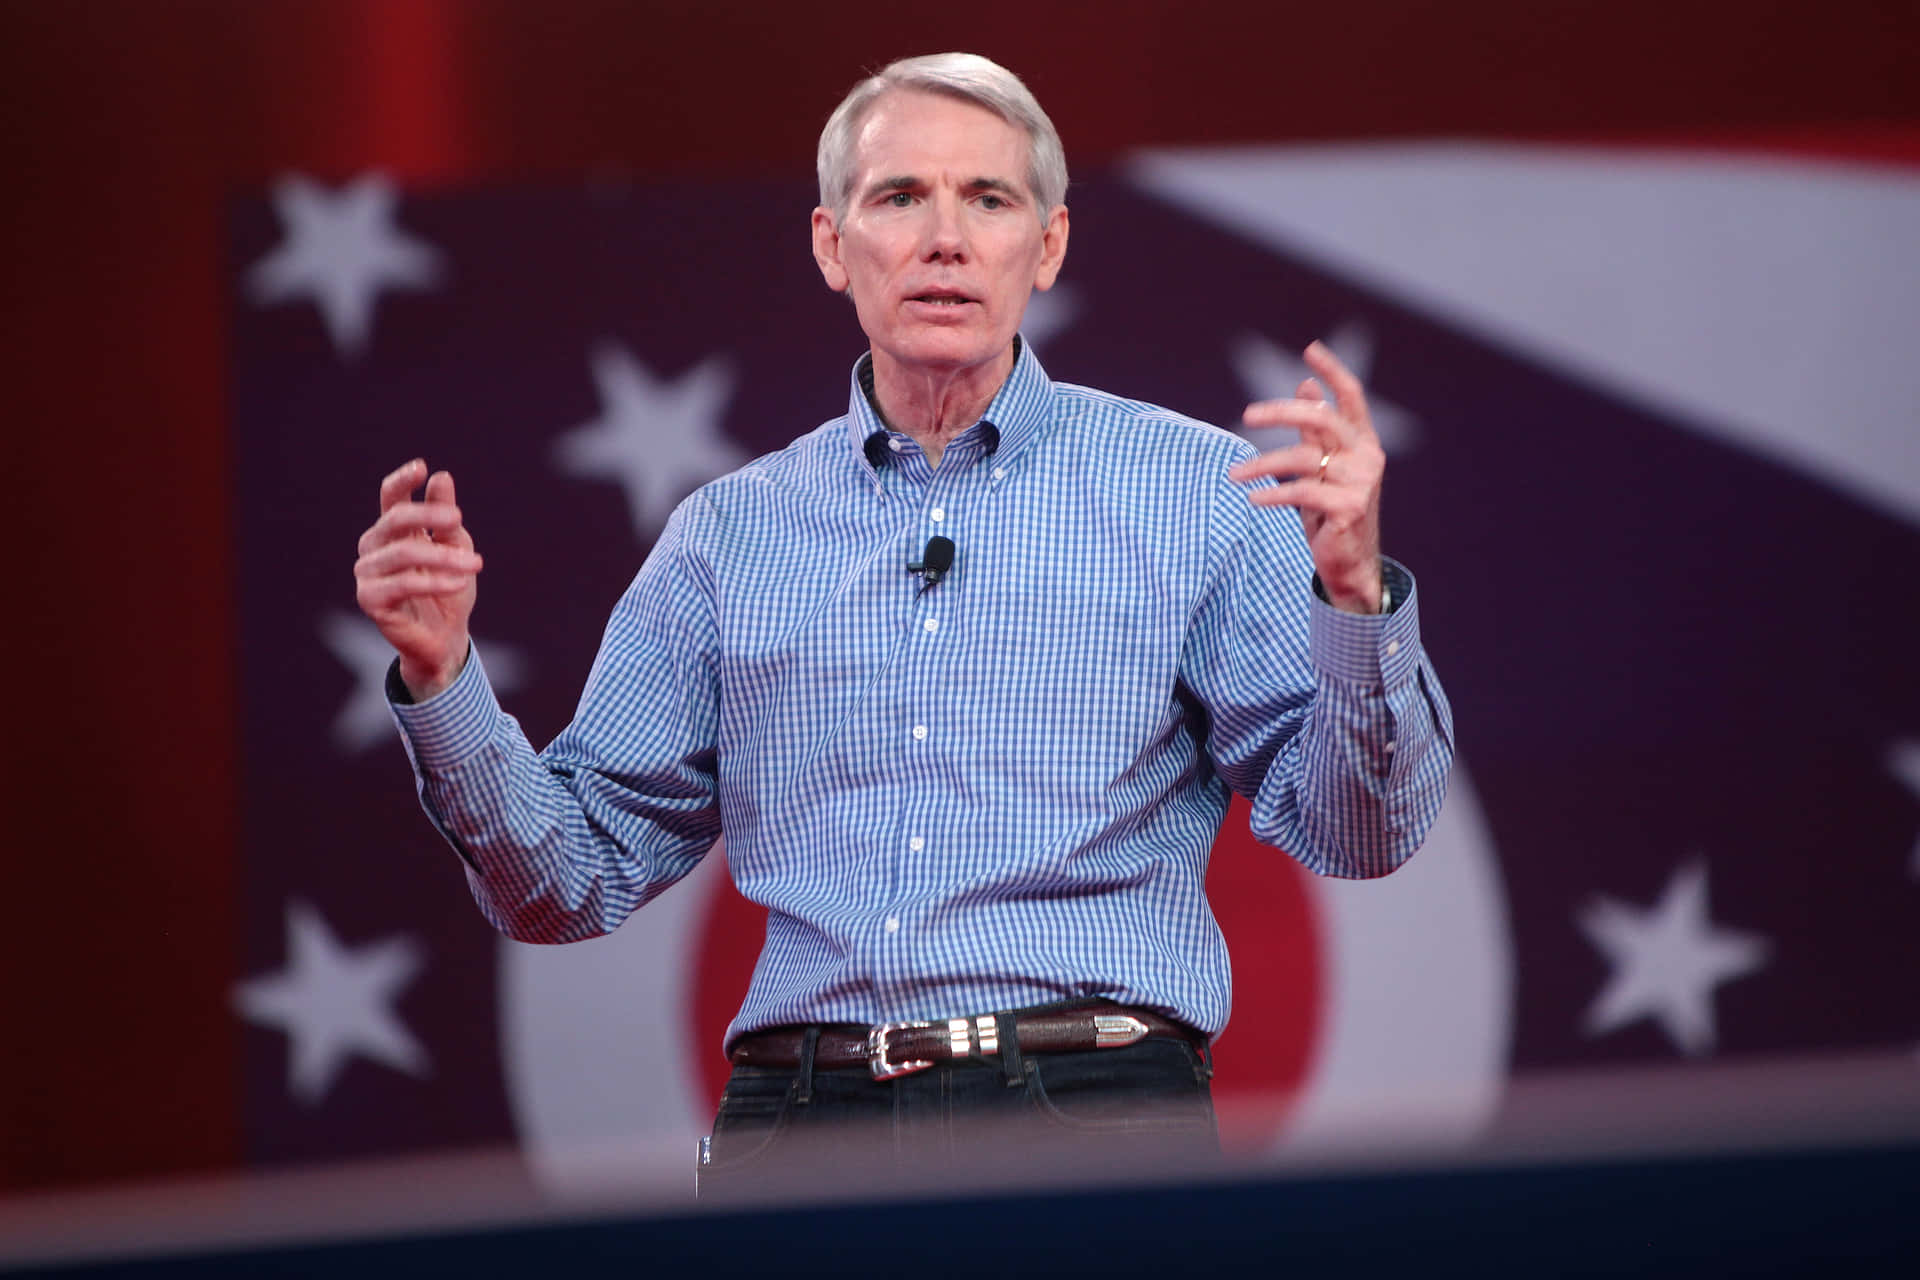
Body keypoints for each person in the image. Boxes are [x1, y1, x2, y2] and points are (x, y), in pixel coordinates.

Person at [354, 52, 1453, 1194]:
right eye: (899, 197)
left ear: (1051, 244)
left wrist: (1353, 596)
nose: (945, 238)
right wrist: (443, 677)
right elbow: (566, 879)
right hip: (798, 1124)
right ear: (834, 245)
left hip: (1089, 1110)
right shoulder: (730, 536)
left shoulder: (1197, 493)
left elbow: (1362, 832)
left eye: (988, 198)